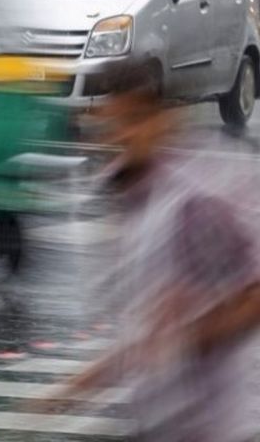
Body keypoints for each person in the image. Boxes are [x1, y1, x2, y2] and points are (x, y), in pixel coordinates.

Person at [33, 60, 260, 441]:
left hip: (213, 428)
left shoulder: (195, 201)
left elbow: (253, 296)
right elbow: (146, 331)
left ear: (163, 120)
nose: (120, 136)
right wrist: (78, 387)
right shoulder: (136, 195)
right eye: (110, 125)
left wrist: (186, 340)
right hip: (158, 423)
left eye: (134, 121)